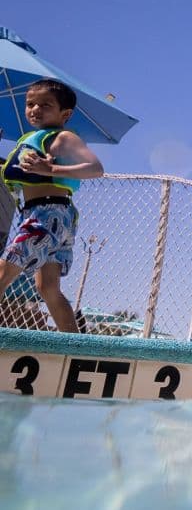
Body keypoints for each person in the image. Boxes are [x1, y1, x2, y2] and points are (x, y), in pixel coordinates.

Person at [0, 79, 105, 333]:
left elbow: (95, 168)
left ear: (65, 114)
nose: (35, 109)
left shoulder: (63, 138)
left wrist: (51, 169)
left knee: (3, 272)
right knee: (47, 287)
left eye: (45, 105)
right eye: (30, 104)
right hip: (48, 215)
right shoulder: (30, 139)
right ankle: (74, 346)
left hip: (47, 214)